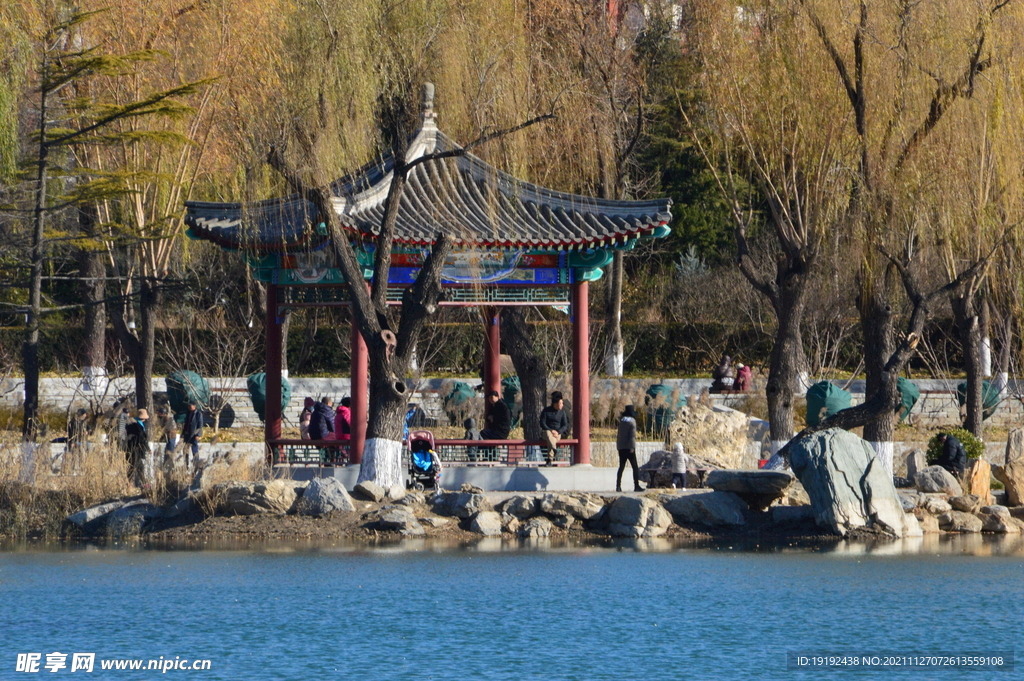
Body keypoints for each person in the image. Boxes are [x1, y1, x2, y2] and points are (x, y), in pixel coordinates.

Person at [538, 391, 570, 466]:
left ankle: (549, 459)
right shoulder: (546, 411)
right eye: (560, 403)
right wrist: (551, 430)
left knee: (551, 438)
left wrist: (558, 432)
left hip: (557, 434)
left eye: (562, 403)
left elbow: (565, 425)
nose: (562, 405)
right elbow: (542, 423)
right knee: (548, 434)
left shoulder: (562, 412)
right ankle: (553, 448)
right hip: (547, 432)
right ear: (555, 404)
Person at [616, 405, 642, 492]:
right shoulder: (632, 422)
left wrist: (618, 447)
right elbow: (632, 436)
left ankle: (618, 486)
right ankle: (636, 486)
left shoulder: (622, 422)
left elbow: (619, 436)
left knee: (621, 467)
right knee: (635, 467)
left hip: (621, 447)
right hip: (629, 448)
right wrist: (632, 447)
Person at [124, 408, 149, 488]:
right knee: (136, 466)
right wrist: (147, 448)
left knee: (133, 466)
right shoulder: (138, 426)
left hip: (129, 447)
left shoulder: (131, 423)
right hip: (136, 449)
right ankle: (133, 484)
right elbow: (142, 439)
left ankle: (129, 483)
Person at [181, 401, 204, 474]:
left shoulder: (198, 413)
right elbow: (185, 424)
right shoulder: (188, 413)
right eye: (189, 406)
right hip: (187, 435)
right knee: (185, 451)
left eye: (191, 405)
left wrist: (198, 434)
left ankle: (196, 466)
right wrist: (183, 433)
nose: (190, 407)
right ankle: (185, 466)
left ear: (195, 406)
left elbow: (200, 425)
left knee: (195, 451)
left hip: (194, 435)